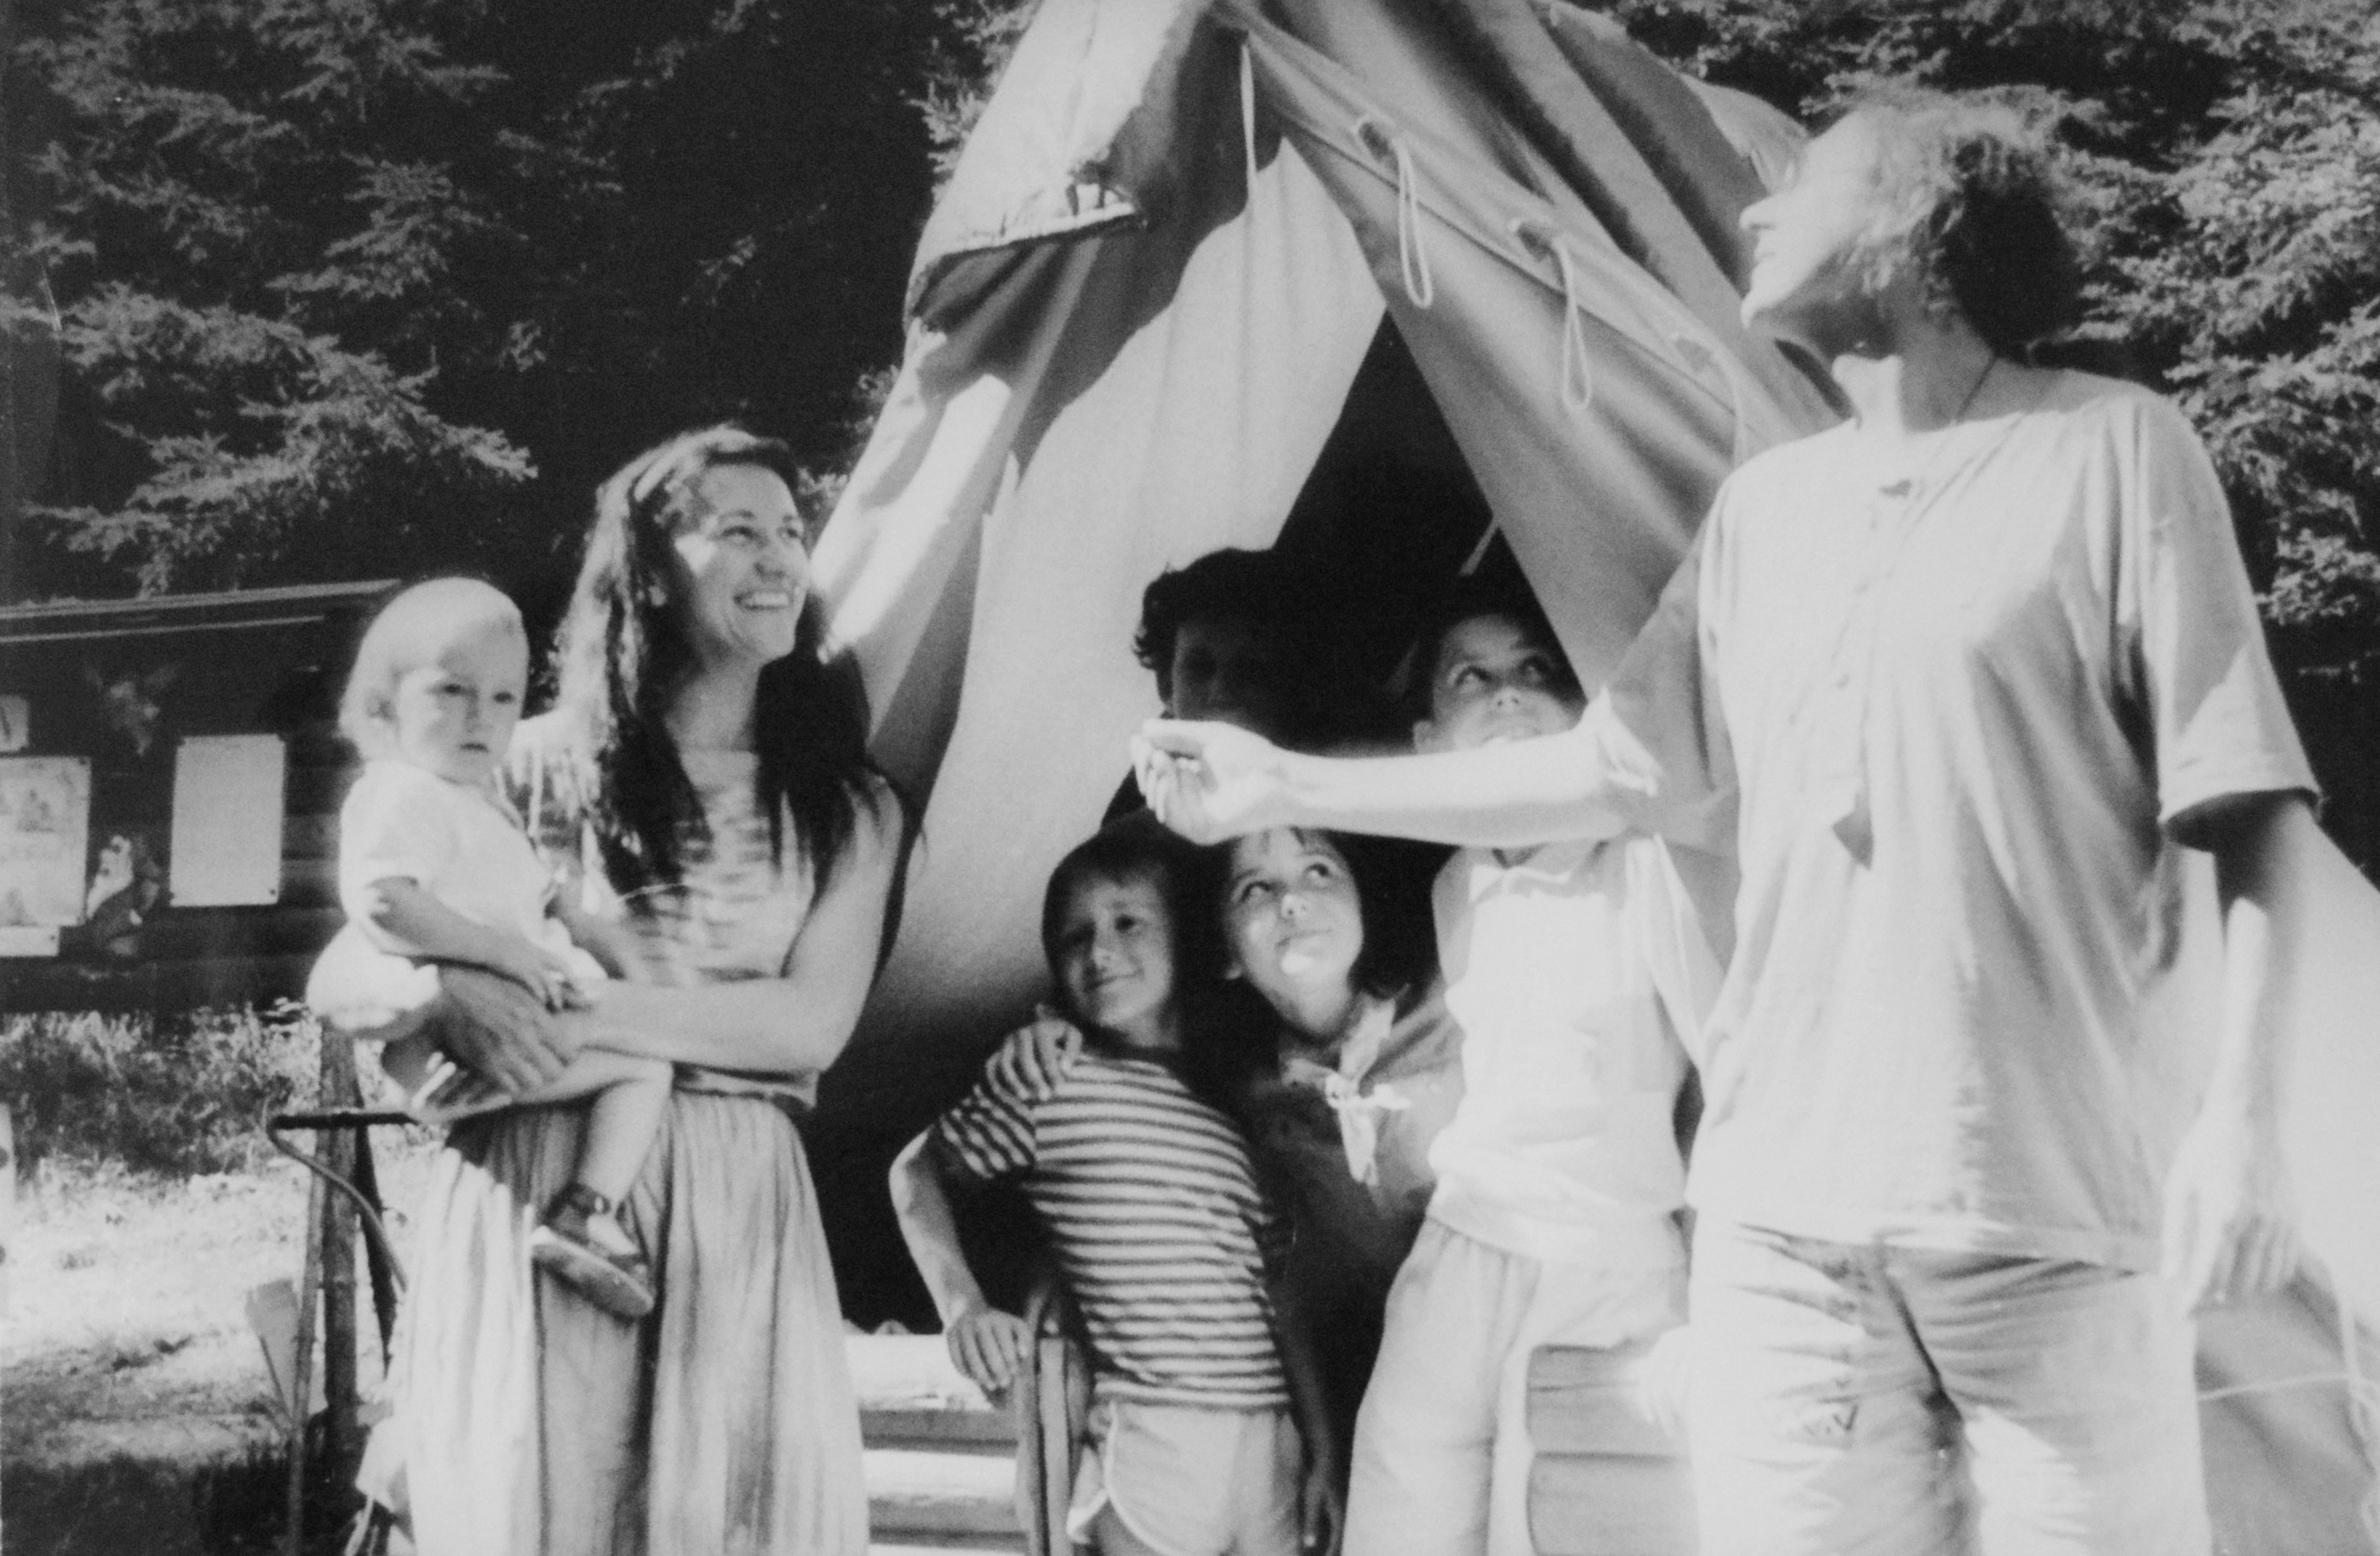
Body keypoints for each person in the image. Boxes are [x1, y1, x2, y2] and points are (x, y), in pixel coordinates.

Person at [1137, 91, 2319, 1556]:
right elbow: (1603, 770)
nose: (1756, 209)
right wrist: (1284, 783)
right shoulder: (1764, 511)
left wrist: (2247, 1122)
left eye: (1803, 183)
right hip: (1781, 1229)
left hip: (2047, 1212)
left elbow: (2246, 800)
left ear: (1919, 225)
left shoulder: (2114, 450)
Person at [323, 425, 908, 1555]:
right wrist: (442, 991)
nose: (778, 556)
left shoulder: (846, 806)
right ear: (651, 569)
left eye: (790, 531)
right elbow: (345, 962)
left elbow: (805, 1025)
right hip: (537, 1182)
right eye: (737, 530)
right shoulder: (514, 762)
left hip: (738, 1208)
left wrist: (551, 1001)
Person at [1340, 579, 1712, 1556]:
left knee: (1553, 1519)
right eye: (1471, 677)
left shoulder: (1642, 861)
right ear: (1427, 746)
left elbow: (1720, 1067)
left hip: (1609, 1260)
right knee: (1402, 1507)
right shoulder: (1456, 879)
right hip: (1465, 1245)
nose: (1507, 691)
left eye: (1535, 668)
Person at [889, 815, 1341, 1556]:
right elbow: (917, 1170)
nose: (1098, 950)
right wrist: (962, 1305)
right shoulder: (1051, 1077)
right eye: (1073, 936)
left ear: (1187, 940)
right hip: (1149, 1430)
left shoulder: (1239, 1107)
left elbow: (1282, 1298)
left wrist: (1321, 1445)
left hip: (1269, 1441)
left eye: (1128, 922)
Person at [309, 576, 667, 1320]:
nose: (482, 716)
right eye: (453, 691)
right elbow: (381, 899)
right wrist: (502, 955)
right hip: (466, 1039)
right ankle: (588, 1213)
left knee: (641, 1049)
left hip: (490, 1033)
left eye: (504, 697)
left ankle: (585, 1211)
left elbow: (522, 897)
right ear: (384, 705)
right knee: (645, 1066)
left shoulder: (474, 800)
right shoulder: (401, 791)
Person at [1211, 825, 1464, 1481]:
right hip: (1387, 1400)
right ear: (1226, 951)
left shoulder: (1453, 1004)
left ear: (1361, 903)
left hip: (1506, 1340)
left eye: (1318, 870)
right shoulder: (1253, 1099)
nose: (1291, 900)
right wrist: (1325, 1448)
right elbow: (1294, 1279)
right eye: (1254, 887)